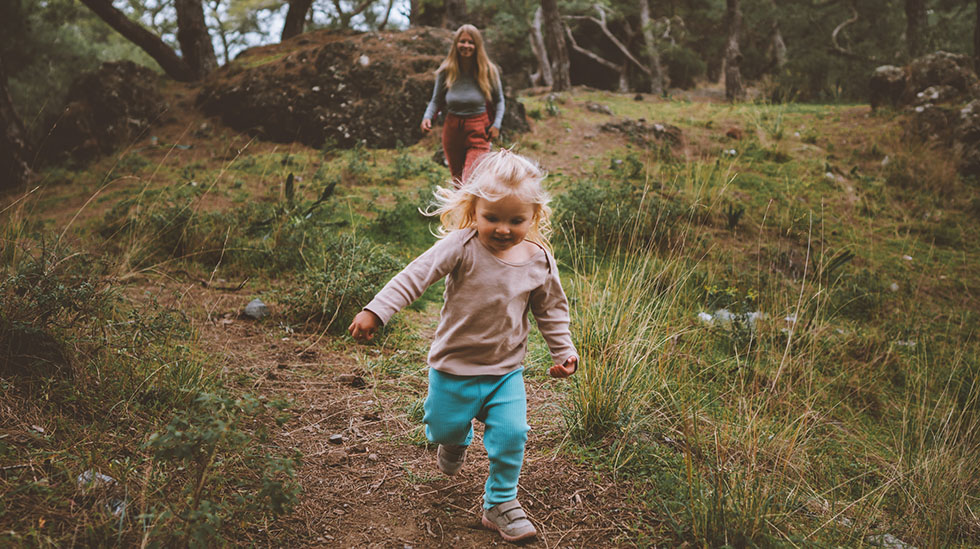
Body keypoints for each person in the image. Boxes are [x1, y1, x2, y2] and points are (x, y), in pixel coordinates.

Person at [348, 150, 578, 543]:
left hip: (505, 372)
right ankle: (455, 440)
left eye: (516, 220)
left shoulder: (538, 260)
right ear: (474, 209)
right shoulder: (461, 245)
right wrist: (377, 310)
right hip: (452, 369)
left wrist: (564, 351)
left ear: (534, 216)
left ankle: (500, 503)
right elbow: (414, 277)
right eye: (492, 218)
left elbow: (552, 310)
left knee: (512, 433)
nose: (503, 229)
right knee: (442, 426)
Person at [420, 24, 506, 186]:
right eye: (462, 41)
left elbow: (499, 100)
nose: (466, 46)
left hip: (478, 129)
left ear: (477, 46)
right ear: (456, 44)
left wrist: (497, 124)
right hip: (452, 130)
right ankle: (465, 212)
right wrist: (427, 117)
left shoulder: (488, 70)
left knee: (470, 180)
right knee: (458, 182)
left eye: (470, 42)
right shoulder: (446, 71)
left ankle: (476, 209)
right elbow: (436, 100)